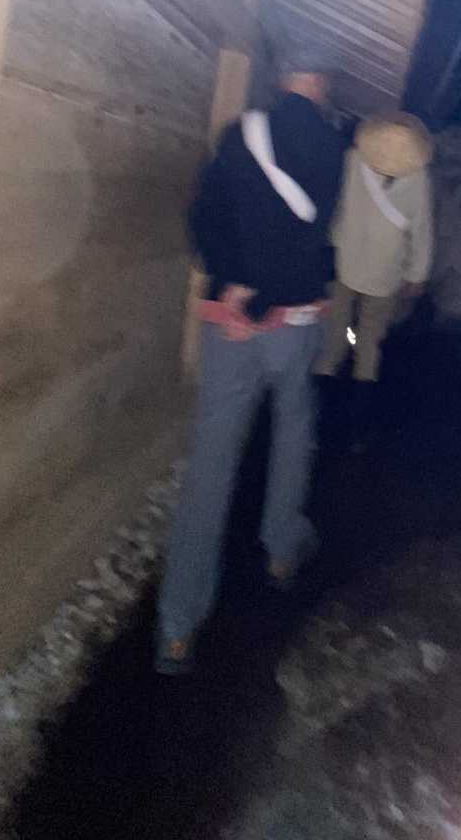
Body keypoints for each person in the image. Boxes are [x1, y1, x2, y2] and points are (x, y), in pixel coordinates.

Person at [156, 49, 345, 674]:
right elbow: (309, 237)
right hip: (294, 321)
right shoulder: (331, 146)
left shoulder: (240, 134)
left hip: (229, 323)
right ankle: (281, 547)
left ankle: (177, 627)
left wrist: (234, 281)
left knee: (210, 462)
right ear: (321, 81)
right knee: (293, 428)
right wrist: (273, 288)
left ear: (283, 74)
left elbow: (202, 218)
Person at [320, 111, 434, 445]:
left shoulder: (353, 160)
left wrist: (331, 241)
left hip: (347, 260)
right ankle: (358, 420)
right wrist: (417, 274)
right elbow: (421, 230)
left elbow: (339, 206)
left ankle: (320, 406)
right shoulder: (418, 177)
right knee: (369, 340)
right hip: (386, 271)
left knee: (335, 332)